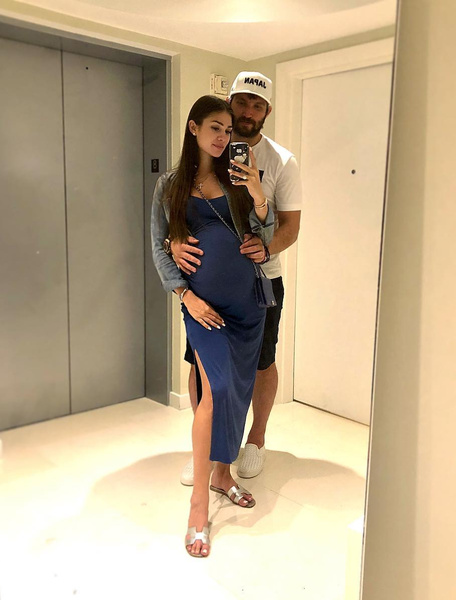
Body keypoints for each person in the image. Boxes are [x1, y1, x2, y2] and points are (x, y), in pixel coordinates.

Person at [151, 95, 274, 557]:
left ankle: (223, 475)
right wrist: (187, 296)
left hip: (248, 307)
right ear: (193, 128)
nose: (223, 137)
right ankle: (198, 505)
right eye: (215, 128)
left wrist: (258, 194)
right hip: (205, 310)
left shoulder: (238, 180)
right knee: (215, 391)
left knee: (238, 392)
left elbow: (265, 234)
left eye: (227, 130)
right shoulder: (171, 186)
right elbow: (159, 246)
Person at [173, 72, 302, 484]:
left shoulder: (282, 161)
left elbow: (290, 226)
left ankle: (255, 440)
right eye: (241, 102)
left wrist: (266, 247)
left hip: (261, 283)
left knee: (262, 362)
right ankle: (208, 448)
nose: (248, 111)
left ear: (267, 111)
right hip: (207, 288)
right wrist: (174, 241)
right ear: (228, 105)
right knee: (202, 365)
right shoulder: (210, 152)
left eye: (257, 105)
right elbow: (182, 210)